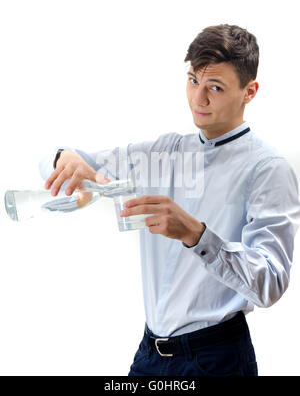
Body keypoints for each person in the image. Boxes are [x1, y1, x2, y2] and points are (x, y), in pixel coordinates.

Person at [39, 24, 300, 376]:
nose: (198, 99)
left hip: (217, 358)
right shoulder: (166, 151)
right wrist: (62, 158)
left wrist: (197, 235)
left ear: (249, 92)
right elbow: (74, 161)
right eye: (193, 80)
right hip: (150, 354)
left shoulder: (268, 170)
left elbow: (270, 283)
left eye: (215, 88)